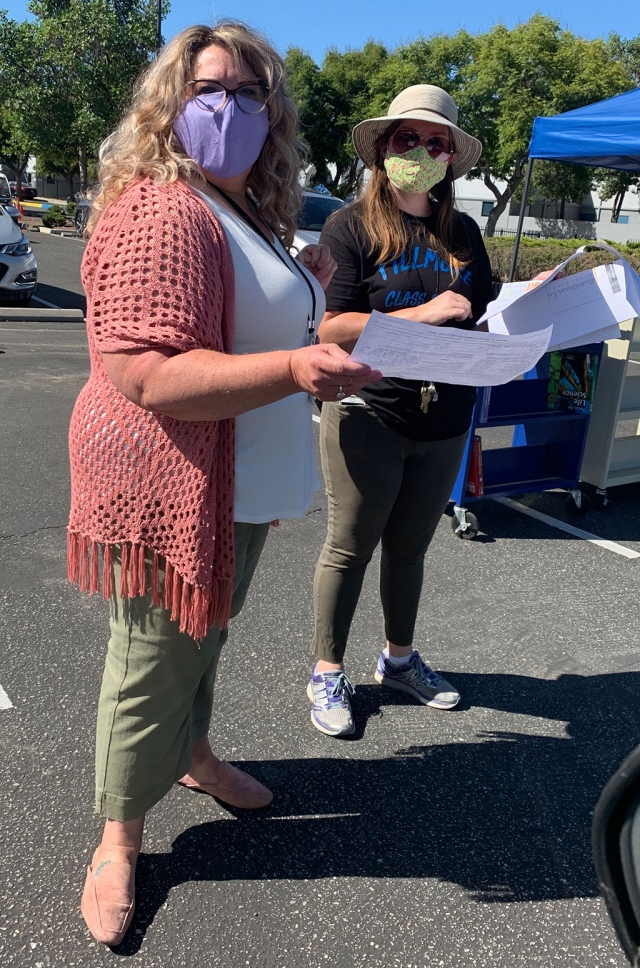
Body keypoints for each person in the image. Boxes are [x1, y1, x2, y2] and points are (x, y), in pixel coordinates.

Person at [68, 20, 379, 946]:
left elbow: (251, 325)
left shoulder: (245, 214)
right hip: (167, 486)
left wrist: (307, 283)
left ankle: (194, 754)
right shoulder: (162, 207)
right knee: (148, 663)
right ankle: (118, 838)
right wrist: (295, 366)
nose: (230, 109)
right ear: (170, 104)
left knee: (203, 636)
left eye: (250, 95)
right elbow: (147, 374)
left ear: (273, 115)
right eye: (210, 90)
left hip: (232, 486)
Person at [307, 85, 494, 736]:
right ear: (384, 150)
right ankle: (328, 670)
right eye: (407, 139)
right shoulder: (349, 227)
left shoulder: (464, 233)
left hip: (444, 420)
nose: (420, 151)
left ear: (450, 159)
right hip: (371, 415)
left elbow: (483, 312)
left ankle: (400, 660)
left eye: (435, 142)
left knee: (409, 552)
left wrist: (533, 311)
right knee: (349, 548)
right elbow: (330, 326)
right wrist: (423, 312)